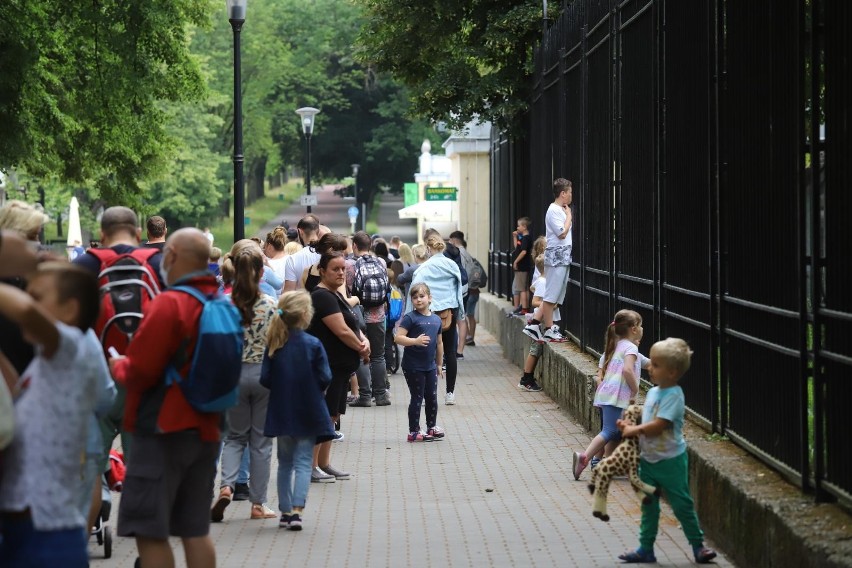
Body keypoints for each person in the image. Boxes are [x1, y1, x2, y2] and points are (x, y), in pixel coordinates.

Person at [109, 228, 230, 568]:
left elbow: (141, 371)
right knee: (195, 528)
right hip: (207, 428)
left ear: (172, 255)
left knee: (150, 530)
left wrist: (119, 366)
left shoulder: (170, 303)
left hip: (163, 429)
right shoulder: (220, 302)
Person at [0, 263, 103, 567]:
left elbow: (26, 313)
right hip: (23, 529)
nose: (27, 302)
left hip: (48, 536)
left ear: (70, 310)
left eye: (37, 296)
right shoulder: (42, 366)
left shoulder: (73, 351)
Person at [616, 338, 717, 565]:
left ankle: (698, 546)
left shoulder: (674, 395)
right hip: (649, 461)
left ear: (672, 373)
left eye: (656, 365)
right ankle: (645, 548)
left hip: (670, 461)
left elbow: (658, 426)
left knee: (682, 504)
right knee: (649, 506)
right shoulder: (654, 392)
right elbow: (650, 417)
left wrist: (633, 430)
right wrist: (632, 421)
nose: (650, 367)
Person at [211, 241, 278, 523]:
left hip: (232, 375)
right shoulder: (271, 305)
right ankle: (258, 503)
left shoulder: (223, 305)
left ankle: (226, 485)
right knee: (260, 442)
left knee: (234, 436)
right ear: (261, 273)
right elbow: (279, 344)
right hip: (262, 374)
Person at [261, 291, 335, 531]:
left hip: (282, 409)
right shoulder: (313, 344)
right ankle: (296, 510)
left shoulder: (275, 343)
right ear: (306, 314)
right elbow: (326, 376)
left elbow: (265, 378)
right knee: (304, 461)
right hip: (309, 409)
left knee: (284, 463)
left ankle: (283, 510)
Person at [307, 252, 368, 482]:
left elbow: (353, 324)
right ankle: (312, 465)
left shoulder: (336, 295)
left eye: (343, 269)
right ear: (322, 270)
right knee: (323, 416)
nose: (341, 273)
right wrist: (362, 348)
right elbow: (341, 330)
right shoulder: (322, 296)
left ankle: (324, 463)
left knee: (332, 415)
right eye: (335, 269)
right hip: (328, 367)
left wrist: (363, 340)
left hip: (341, 368)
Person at [572, 309, 644, 480]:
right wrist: (635, 389)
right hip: (616, 397)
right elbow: (627, 369)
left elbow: (646, 363)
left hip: (607, 395)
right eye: (641, 325)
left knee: (616, 432)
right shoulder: (631, 348)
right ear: (634, 329)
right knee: (610, 431)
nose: (642, 328)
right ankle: (584, 457)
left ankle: (606, 463)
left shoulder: (617, 346)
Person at [408, 235, 465, 405]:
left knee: (428, 353)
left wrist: (411, 316)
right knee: (450, 352)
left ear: (428, 249)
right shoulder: (452, 265)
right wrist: (460, 312)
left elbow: (414, 289)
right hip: (450, 311)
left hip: (429, 312)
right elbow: (459, 291)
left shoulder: (423, 268)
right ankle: (450, 393)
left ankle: (427, 393)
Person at [523, 178, 573, 343]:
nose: (571, 195)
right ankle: (548, 328)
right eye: (570, 192)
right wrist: (569, 217)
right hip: (557, 257)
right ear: (563, 193)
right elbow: (562, 233)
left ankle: (536, 323)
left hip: (562, 256)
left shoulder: (559, 210)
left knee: (557, 294)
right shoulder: (554, 211)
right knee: (552, 294)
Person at [395, 283, 444, 441]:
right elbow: (398, 337)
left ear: (430, 298)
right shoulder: (410, 318)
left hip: (430, 366)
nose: (418, 300)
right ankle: (414, 431)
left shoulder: (436, 319)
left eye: (422, 296)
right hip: (413, 365)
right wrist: (415, 341)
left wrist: (439, 364)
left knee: (432, 397)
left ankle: (431, 427)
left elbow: (439, 343)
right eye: (414, 297)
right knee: (417, 397)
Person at [346, 231, 390, 407]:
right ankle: (381, 395)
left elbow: (348, 290)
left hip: (359, 316)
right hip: (378, 315)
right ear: (370, 245)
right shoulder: (381, 262)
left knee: (362, 354)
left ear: (355, 246)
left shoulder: (350, 265)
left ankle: (364, 396)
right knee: (378, 356)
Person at [518, 254, 549, 392]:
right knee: (535, 349)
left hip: (542, 319)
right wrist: (550, 304)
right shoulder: (542, 282)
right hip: (540, 321)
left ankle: (528, 377)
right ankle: (526, 378)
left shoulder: (543, 280)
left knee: (537, 349)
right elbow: (535, 301)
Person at [283, 216, 322, 292]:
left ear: (300, 232)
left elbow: (289, 292)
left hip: (303, 302)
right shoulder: (328, 254)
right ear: (319, 231)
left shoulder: (292, 259)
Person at [510, 217, 533, 315]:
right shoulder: (523, 238)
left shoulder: (526, 238)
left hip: (522, 266)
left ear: (524, 227)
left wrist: (516, 262)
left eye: (519, 225)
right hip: (524, 266)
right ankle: (525, 307)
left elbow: (523, 252)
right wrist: (515, 237)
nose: (517, 227)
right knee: (525, 287)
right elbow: (517, 248)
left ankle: (524, 308)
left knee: (522, 289)